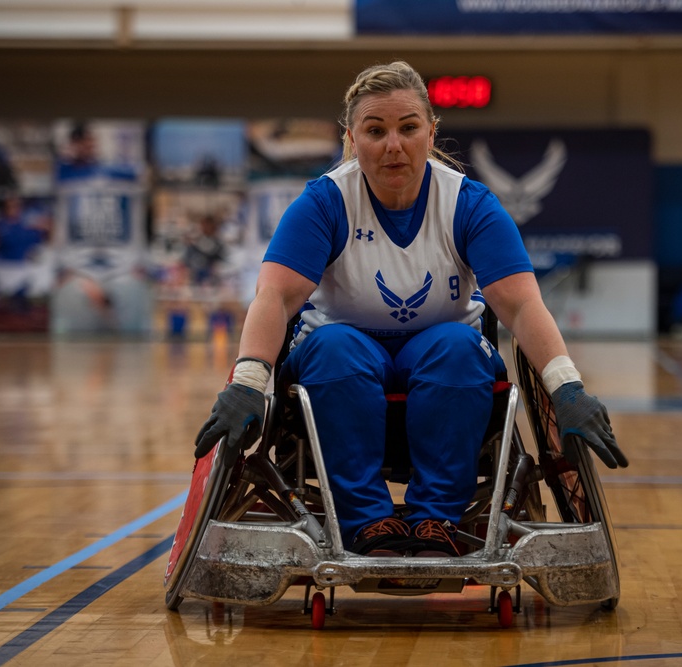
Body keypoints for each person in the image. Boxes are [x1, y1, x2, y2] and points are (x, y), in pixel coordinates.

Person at [193, 61, 627, 559]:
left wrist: (566, 386)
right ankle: (365, 523)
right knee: (334, 347)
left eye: (408, 127)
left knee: (459, 346)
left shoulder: (470, 203)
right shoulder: (324, 202)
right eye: (375, 131)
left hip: (444, 361)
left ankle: (436, 522)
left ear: (431, 131)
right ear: (352, 139)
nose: (393, 144)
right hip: (340, 360)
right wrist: (248, 382)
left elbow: (523, 303)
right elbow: (275, 296)